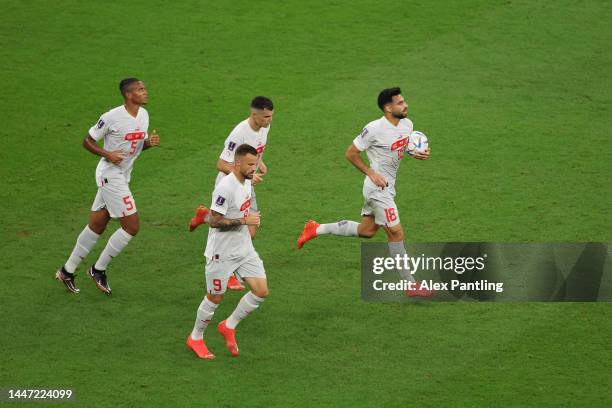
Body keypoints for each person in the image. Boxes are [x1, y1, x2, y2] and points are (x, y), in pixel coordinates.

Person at [297, 87, 433, 297]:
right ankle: (410, 284)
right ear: (388, 108)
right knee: (396, 233)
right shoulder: (374, 129)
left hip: (389, 187)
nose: (405, 105)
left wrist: (416, 152)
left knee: (367, 231)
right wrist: (371, 172)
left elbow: (401, 146)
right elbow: (350, 153)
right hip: (377, 189)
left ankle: (315, 229)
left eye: (404, 101)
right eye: (400, 103)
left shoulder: (408, 124)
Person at [55, 78, 160, 294]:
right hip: (110, 176)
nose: (145, 92)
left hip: (123, 175)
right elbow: (87, 141)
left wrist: (149, 144)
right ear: (129, 95)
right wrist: (107, 154)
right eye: (141, 90)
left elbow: (135, 147)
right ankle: (97, 269)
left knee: (97, 224)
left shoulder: (144, 115)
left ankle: (67, 271)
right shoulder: (111, 117)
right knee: (132, 226)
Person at [186, 144, 269, 360]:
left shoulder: (247, 183)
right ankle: (195, 337)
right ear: (237, 163)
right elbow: (214, 221)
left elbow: (246, 208)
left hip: (243, 249)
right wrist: (244, 220)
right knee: (215, 297)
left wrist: (251, 222)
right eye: (251, 164)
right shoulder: (225, 187)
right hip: (220, 253)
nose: (254, 168)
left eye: (256, 163)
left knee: (261, 291)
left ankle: (228, 325)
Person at [189, 96, 274, 290]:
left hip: (246, 184)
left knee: (251, 230)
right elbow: (221, 163)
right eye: (266, 117)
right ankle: (227, 273)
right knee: (221, 227)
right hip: (230, 187)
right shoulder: (239, 133)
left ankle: (203, 217)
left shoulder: (264, 127)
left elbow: (254, 150)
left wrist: (259, 162)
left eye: (271, 116)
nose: (269, 121)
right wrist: (250, 175)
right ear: (254, 115)